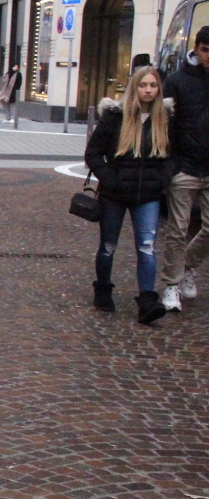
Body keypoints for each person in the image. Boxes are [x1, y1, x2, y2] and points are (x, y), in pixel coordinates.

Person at [83, 66, 172, 325]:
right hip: (115, 193)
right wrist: (110, 178)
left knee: (146, 248)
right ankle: (103, 290)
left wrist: (161, 180)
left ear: (158, 89)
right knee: (108, 246)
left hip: (149, 194)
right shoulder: (115, 117)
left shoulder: (164, 119)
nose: (148, 90)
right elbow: (93, 153)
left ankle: (147, 300)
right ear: (135, 87)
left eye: (153, 85)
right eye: (143, 85)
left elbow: (172, 156)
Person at [157, 25, 209, 312]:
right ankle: (172, 284)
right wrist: (171, 165)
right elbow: (165, 125)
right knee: (177, 229)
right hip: (184, 167)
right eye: (206, 50)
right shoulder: (177, 81)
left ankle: (187, 267)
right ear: (197, 49)